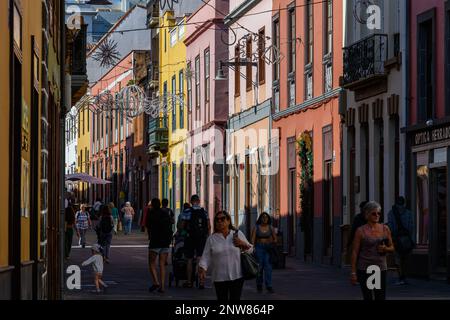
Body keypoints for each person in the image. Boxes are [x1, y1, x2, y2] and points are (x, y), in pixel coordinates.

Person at [199, 211, 253, 301]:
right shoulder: (212, 239)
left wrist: (242, 244)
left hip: (237, 275)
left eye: (222, 219)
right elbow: (206, 257)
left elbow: (250, 250)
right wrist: (203, 269)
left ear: (228, 221)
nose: (219, 221)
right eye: (217, 220)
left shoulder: (237, 234)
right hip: (219, 277)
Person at [351, 201, 395, 300]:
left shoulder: (385, 229)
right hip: (365, 267)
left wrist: (385, 248)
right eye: (374, 213)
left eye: (378, 213)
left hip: (379, 268)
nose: (377, 215)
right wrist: (353, 272)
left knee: (380, 297)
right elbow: (354, 252)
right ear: (367, 214)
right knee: (368, 297)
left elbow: (392, 247)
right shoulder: (360, 231)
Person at [181, 195, 210, 289]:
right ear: (199, 201)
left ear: (191, 201)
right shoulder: (204, 212)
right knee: (200, 259)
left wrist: (183, 232)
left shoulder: (186, 211)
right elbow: (209, 226)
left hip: (190, 238)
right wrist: (207, 236)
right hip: (201, 238)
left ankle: (189, 282)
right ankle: (201, 281)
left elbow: (182, 225)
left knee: (189, 259)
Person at [146, 198, 174, 294]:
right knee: (162, 264)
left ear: (153, 205)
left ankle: (156, 282)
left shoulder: (151, 213)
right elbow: (171, 224)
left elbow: (147, 226)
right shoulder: (165, 213)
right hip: (165, 242)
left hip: (155, 241)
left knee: (151, 262)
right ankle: (162, 286)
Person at [387, 196, 414, 285]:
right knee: (405, 259)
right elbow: (411, 227)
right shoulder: (409, 213)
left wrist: (393, 235)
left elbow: (390, 227)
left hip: (396, 239)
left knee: (397, 258)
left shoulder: (391, 213)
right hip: (406, 240)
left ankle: (400, 277)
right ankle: (404, 277)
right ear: (404, 203)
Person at [251, 212, 277, 293]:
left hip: (268, 248)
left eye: (266, 217)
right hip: (259, 248)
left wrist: (271, 241)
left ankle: (269, 286)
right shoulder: (256, 227)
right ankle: (259, 284)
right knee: (259, 267)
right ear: (260, 219)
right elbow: (252, 239)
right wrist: (253, 248)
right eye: (263, 217)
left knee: (268, 267)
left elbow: (275, 239)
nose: (264, 218)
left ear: (268, 219)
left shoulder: (271, 228)